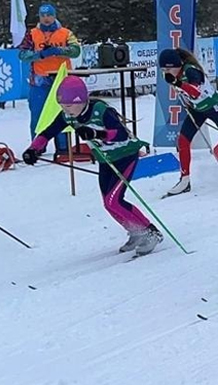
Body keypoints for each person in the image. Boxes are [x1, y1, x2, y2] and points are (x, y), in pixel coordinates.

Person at [22, 76, 163, 256]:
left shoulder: (100, 111)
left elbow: (120, 134)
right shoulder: (68, 116)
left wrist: (96, 133)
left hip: (125, 156)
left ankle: (150, 231)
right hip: (105, 159)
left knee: (114, 200)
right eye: (62, 106)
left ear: (81, 101)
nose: (66, 110)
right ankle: (135, 230)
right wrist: (33, 149)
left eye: (70, 105)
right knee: (108, 204)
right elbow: (48, 132)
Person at [159, 48, 218, 196]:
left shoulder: (191, 71)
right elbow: (187, 93)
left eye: (168, 68)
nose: (166, 72)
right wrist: (185, 99)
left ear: (177, 65)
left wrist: (178, 84)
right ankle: (185, 180)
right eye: (163, 69)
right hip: (197, 109)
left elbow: (196, 91)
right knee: (183, 141)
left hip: (214, 107)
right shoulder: (173, 76)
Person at [17, 3, 81, 157]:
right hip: (39, 81)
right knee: (38, 115)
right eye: (43, 16)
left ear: (54, 16)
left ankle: (64, 146)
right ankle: (37, 147)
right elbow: (22, 54)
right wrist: (39, 55)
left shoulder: (66, 33)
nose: (46, 19)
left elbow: (76, 51)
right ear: (39, 17)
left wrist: (59, 51)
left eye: (49, 15)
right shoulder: (32, 33)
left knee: (64, 113)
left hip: (61, 80)